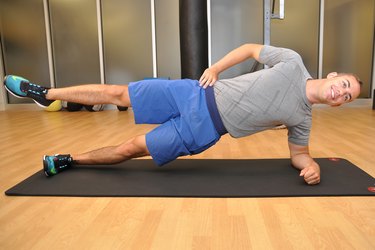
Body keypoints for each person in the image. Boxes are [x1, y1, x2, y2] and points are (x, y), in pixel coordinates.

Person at [4, 44, 362, 185]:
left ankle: (70, 160)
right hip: (195, 92)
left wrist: (309, 165)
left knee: (133, 147)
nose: (341, 93)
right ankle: (45, 93)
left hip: (205, 129)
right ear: (333, 76)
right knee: (119, 94)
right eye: (344, 84)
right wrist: (217, 68)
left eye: (347, 97)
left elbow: (298, 153)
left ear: (339, 103)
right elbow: (252, 48)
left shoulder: (303, 119)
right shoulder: (293, 61)